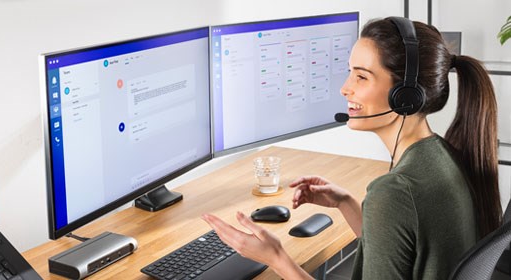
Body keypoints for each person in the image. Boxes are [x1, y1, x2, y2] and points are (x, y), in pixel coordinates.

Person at [202, 17, 502, 279]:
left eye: (361, 76)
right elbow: (400, 255)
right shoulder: (442, 156)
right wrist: (345, 202)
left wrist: (276, 258)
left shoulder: (395, 192)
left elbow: (397, 214)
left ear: (405, 95)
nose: (345, 88)